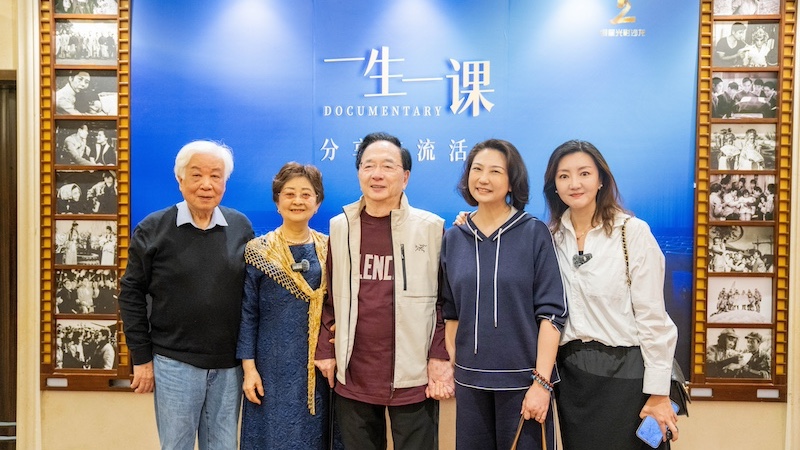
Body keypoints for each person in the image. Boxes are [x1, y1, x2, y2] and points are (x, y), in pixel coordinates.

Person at [314, 131, 452, 450]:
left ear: (405, 177)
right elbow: (329, 298)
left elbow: (446, 302)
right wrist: (325, 349)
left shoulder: (431, 229)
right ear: (359, 173)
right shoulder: (340, 227)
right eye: (368, 165)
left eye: (388, 166)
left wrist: (440, 355)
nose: (377, 174)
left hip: (413, 374)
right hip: (354, 373)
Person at [118, 140, 255, 450]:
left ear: (225, 182)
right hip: (174, 363)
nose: (207, 184)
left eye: (216, 176)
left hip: (228, 366)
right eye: (196, 175)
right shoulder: (153, 228)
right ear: (180, 179)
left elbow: (251, 296)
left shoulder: (240, 227)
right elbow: (131, 294)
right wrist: (141, 359)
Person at [543, 140, 679, 449]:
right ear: (554, 185)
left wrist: (659, 393)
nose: (574, 183)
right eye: (563, 176)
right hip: (573, 378)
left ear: (601, 179)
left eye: (584, 173)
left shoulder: (631, 232)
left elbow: (653, 318)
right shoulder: (550, 238)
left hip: (627, 376)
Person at [440, 139, 567, 449]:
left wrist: (542, 383)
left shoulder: (533, 232)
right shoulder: (454, 238)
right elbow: (450, 312)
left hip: (525, 383)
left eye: (495, 171)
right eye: (477, 169)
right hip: (471, 385)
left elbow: (552, 314)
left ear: (512, 181)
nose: (484, 179)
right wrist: (456, 366)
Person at [237, 162, 339, 450]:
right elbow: (248, 314)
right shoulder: (258, 251)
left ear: (317, 203)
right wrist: (249, 369)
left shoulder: (331, 249)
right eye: (289, 194)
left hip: (320, 366)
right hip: (270, 368)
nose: (297, 201)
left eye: (306, 194)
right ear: (277, 201)